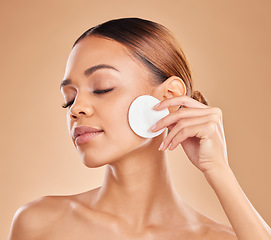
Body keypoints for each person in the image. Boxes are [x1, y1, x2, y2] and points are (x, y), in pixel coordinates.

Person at [8, 17, 271, 240]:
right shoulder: (40, 225)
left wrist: (218, 170)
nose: (76, 109)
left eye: (102, 87)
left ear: (168, 96)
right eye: (69, 98)